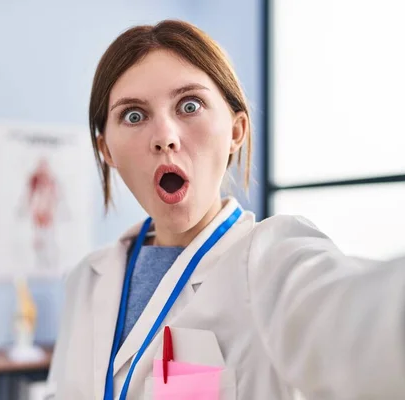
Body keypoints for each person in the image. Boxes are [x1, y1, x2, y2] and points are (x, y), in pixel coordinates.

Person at [45, 19, 405, 400]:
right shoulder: (85, 280)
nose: (165, 137)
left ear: (236, 131)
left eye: (189, 105)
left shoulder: (272, 261)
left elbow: (365, 322)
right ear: (106, 151)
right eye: (134, 115)